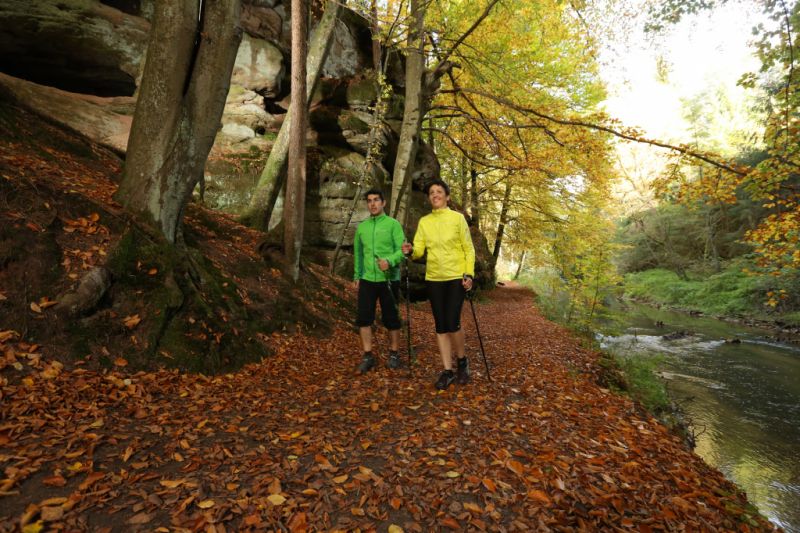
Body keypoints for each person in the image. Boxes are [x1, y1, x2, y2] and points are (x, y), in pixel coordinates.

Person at [402, 179, 475, 390]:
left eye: (439, 191)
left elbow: (468, 249)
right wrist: (410, 250)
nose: (435, 195)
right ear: (429, 198)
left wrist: (469, 274)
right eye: (432, 192)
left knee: (453, 322)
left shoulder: (458, 219)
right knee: (441, 325)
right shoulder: (425, 222)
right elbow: (419, 251)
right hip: (434, 278)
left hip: (455, 276)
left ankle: (462, 360)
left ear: (447, 196)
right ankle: (447, 371)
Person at [353, 188, 406, 374]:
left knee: (391, 319)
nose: (373, 204)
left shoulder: (393, 225)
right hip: (367, 279)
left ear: (383, 203)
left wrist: (389, 261)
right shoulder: (362, 227)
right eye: (369, 201)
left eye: (376, 200)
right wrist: (357, 275)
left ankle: (394, 354)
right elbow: (358, 254)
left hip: (389, 279)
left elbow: (403, 251)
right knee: (363, 319)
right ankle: (368, 356)